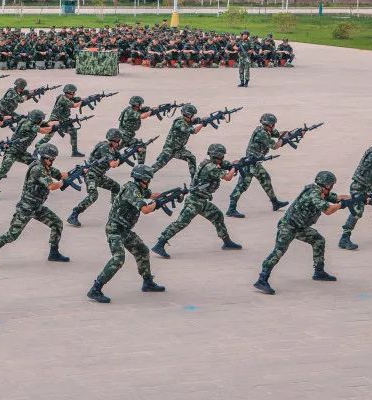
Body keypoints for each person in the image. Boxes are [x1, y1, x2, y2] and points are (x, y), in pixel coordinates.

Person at [0, 144, 69, 268]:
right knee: (12, 235)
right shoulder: (38, 169)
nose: (51, 161)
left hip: (36, 207)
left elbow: (60, 175)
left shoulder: (46, 167)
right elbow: (52, 186)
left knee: (57, 223)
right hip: (26, 208)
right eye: (49, 159)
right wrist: (63, 183)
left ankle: (53, 252)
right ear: (42, 157)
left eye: (53, 159)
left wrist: (77, 172)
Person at [86, 165, 167, 304]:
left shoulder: (138, 188)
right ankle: (95, 288)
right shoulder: (132, 190)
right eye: (148, 179)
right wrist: (157, 204)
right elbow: (146, 209)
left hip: (124, 229)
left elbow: (152, 195)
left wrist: (168, 196)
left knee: (142, 250)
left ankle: (147, 282)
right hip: (115, 229)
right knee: (118, 258)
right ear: (144, 179)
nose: (149, 182)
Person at [254, 171, 344, 295]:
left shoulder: (320, 191)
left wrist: (356, 197)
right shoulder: (314, 193)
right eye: (332, 185)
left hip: (300, 227)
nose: (332, 187)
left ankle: (319, 272)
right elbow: (328, 210)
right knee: (278, 252)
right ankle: (262, 279)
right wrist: (342, 205)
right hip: (288, 226)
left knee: (318, 240)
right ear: (327, 185)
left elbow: (337, 198)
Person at [151, 143, 242, 258]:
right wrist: (234, 168)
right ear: (216, 157)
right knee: (181, 223)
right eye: (221, 157)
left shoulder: (210, 163)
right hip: (195, 201)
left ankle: (227, 242)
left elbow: (226, 164)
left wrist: (235, 163)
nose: (223, 159)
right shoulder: (211, 167)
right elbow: (228, 177)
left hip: (202, 201)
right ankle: (160, 244)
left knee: (217, 216)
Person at [227, 113, 289, 217]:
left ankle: (275, 203)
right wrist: (284, 140)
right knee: (242, 186)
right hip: (250, 163)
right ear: (268, 124)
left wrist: (291, 133)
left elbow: (278, 134)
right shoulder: (262, 133)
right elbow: (274, 146)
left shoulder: (265, 130)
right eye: (273, 124)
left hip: (255, 162)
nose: (274, 126)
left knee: (265, 179)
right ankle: (231, 209)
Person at [66, 129, 124, 227]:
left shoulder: (112, 148)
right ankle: (74, 214)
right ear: (115, 140)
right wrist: (119, 160)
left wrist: (127, 155)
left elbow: (120, 159)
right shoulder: (105, 147)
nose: (120, 143)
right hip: (91, 175)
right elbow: (113, 164)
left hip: (99, 175)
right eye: (119, 140)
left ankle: (114, 213)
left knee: (116, 187)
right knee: (93, 195)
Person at [150, 104, 204, 178]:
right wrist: (202, 125)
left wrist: (210, 119)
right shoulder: (179, 122)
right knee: (157, 166)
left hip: (179, 149)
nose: (194, 117)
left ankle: (194, 181)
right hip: (169, 149)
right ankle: (141, 178)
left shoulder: (188, 120)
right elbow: (193, 131)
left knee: (191, 158)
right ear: (188, 115)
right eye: (192, 115)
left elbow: (200, 120)